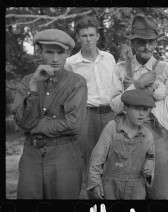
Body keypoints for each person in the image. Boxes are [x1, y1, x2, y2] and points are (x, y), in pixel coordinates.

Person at [110, 14, 168, 199]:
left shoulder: (167, 69)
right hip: (126, 135)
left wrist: (151, 90)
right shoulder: (119, 69)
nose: (146, 46)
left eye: (151, 42)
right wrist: (138, 84)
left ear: (156, 43)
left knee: (158, 191)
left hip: (157, 134)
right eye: (141, 42)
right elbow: (115, 106)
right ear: (133, 43)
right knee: (129, 190)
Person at [12, 29, 87, 199]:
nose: (54, 58)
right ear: (41, 52)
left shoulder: (77, 83)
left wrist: (35, 125)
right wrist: (33, 87)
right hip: (31, 155)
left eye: (60, 52)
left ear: (68, 53)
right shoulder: (26, 81)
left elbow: (73, 125)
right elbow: (22, 122)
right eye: (49, 52)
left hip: (64, 153)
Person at [65, 16, 116, 182]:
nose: (88, 39)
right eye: (84, 36)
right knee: (90, 161)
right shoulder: (70, 63)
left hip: (111, 114)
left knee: (113, 159)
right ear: (78, 38)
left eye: (91, 35)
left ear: (98, 36)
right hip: (87, 116)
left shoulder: (109, 58)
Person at [87, 89, 155, 200]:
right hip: (111, 186)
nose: (142, 113)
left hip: (137, 187)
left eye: (145, 109)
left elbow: (151, 157)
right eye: (137, 109)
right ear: (125, 109)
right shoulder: (112, 128)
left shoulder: (147, 135)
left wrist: (149, 166)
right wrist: (95, 182)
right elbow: (97, 158)